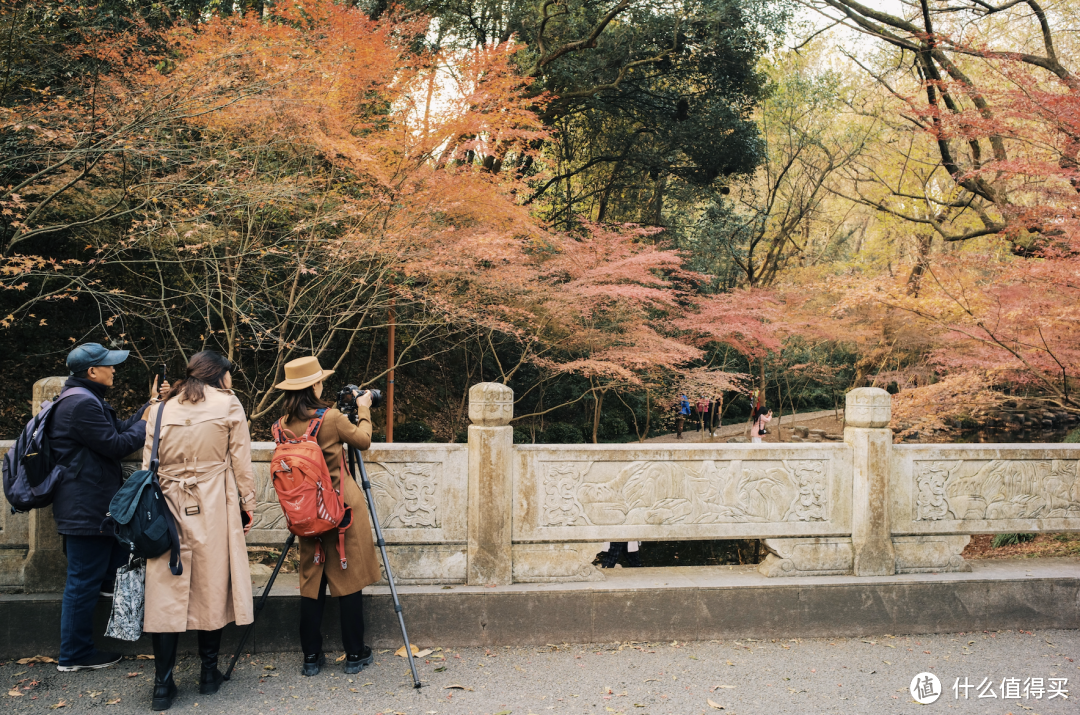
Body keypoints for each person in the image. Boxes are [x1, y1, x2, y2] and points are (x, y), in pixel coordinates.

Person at [143, 352, 255, 711]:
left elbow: (148, 465)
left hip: (167, 507)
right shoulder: (228, 404)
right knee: (212, 582)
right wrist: (247, 502)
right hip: (213, 504)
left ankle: (163, 686)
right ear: (219, 375)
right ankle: (208, 675)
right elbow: (241, 457)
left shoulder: (161, 409)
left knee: (165, 590)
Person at [50, 343, 162, 672]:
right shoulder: (81, 404)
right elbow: (116, 445)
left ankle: (85, 642)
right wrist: (148, 423)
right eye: (109, 365)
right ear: (92, 372)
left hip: (90, 504)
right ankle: (73, 654)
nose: (114, 369)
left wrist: (150, 406)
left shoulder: (83, 399)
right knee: (82, 581)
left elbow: (115, 431)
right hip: (87, 507)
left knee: (99, 574)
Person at [274, 356, 381, 677]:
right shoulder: (332, 418)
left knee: (312, 580)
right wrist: (363, 408)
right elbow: (363, 441)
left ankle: (311, 657)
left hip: (304, 510)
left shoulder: (280, 425)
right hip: (340, 508)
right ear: (315, 385)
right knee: (348, 576)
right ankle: (355, 654)